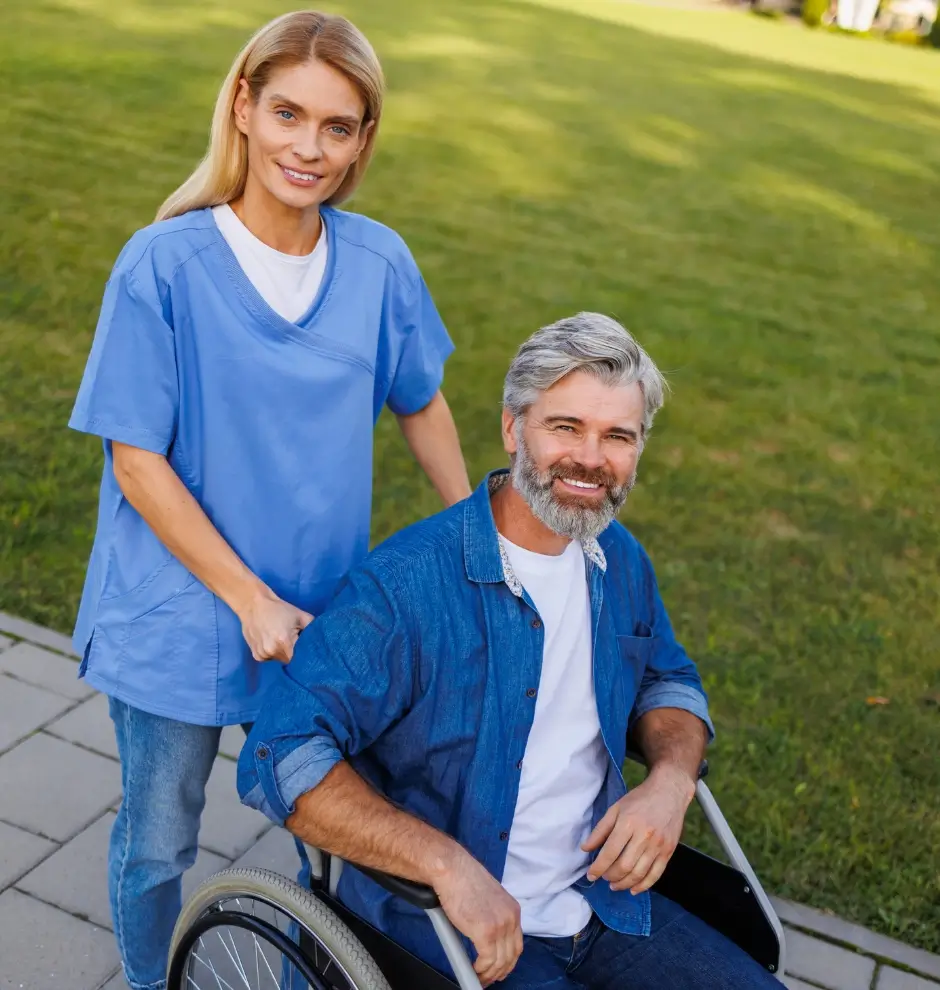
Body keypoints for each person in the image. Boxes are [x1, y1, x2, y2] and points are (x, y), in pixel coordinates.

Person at [68, 11, 471, 990]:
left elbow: (419, 400)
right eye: (288, 112)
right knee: (160, 834)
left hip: (320, 620)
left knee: (330, 840)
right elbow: (136, 463)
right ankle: (149, 976)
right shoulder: (160, 266)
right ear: (242, 105)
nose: (309, 146)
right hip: (180, 616)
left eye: (338, 126)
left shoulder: (378, 264)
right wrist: (245, 597)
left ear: (364, 139)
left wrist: (479, 537)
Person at [237, 313, 779, 989]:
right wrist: (445, 864)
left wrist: (670, 783)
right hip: (454, 929)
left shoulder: (620, 561)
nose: (591, 458)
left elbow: (667, 678)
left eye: (618, 436)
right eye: (565, 427)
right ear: (511, 428)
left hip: (603, 903)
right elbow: (279, 754)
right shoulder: (404, 587)